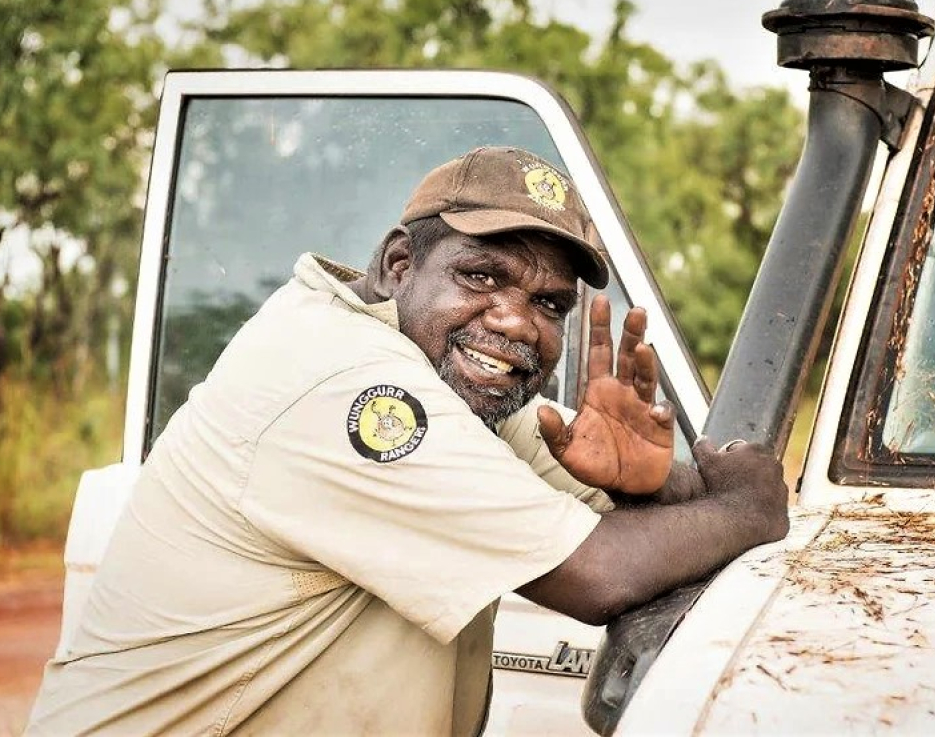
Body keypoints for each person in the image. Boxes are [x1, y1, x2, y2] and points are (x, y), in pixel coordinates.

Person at [27, 146, 788, 735]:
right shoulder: (350, 381)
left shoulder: (456, 389)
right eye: (483, 276)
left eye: (549, 302)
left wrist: (647, 484)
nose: (518, 322)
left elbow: (639, 530)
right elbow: (596, 574)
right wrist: (753, 509)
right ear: (399, 264)